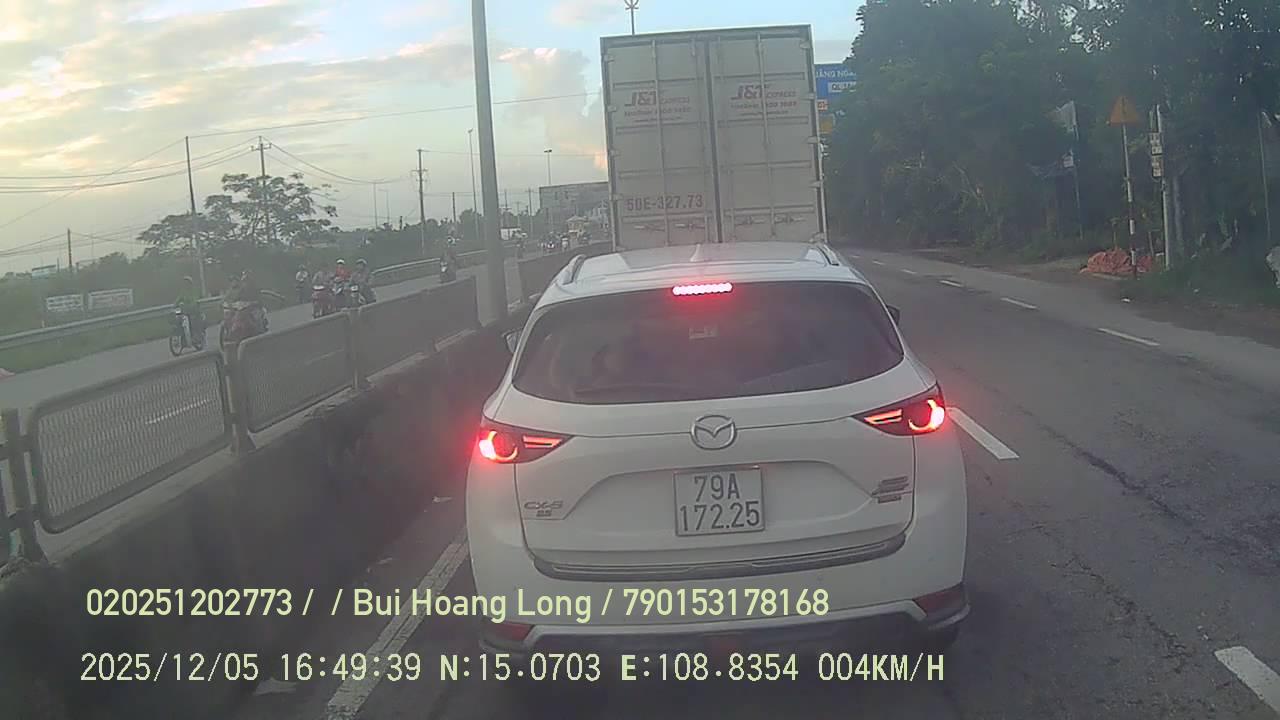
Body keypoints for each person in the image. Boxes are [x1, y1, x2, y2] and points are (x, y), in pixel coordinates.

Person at [174, 276, 204, 340]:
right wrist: (175, 305)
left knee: (193, 322)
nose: (186, 284)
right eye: (184, 283)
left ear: (190, 283)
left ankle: (196, 335)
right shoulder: (183, 291)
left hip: (194, 310)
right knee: (179, 319)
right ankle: (182, 334)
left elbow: (195, 299)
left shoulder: (194, 290)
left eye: (187, 282)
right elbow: (179, 298)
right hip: (186, 311)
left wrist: (192, 304)